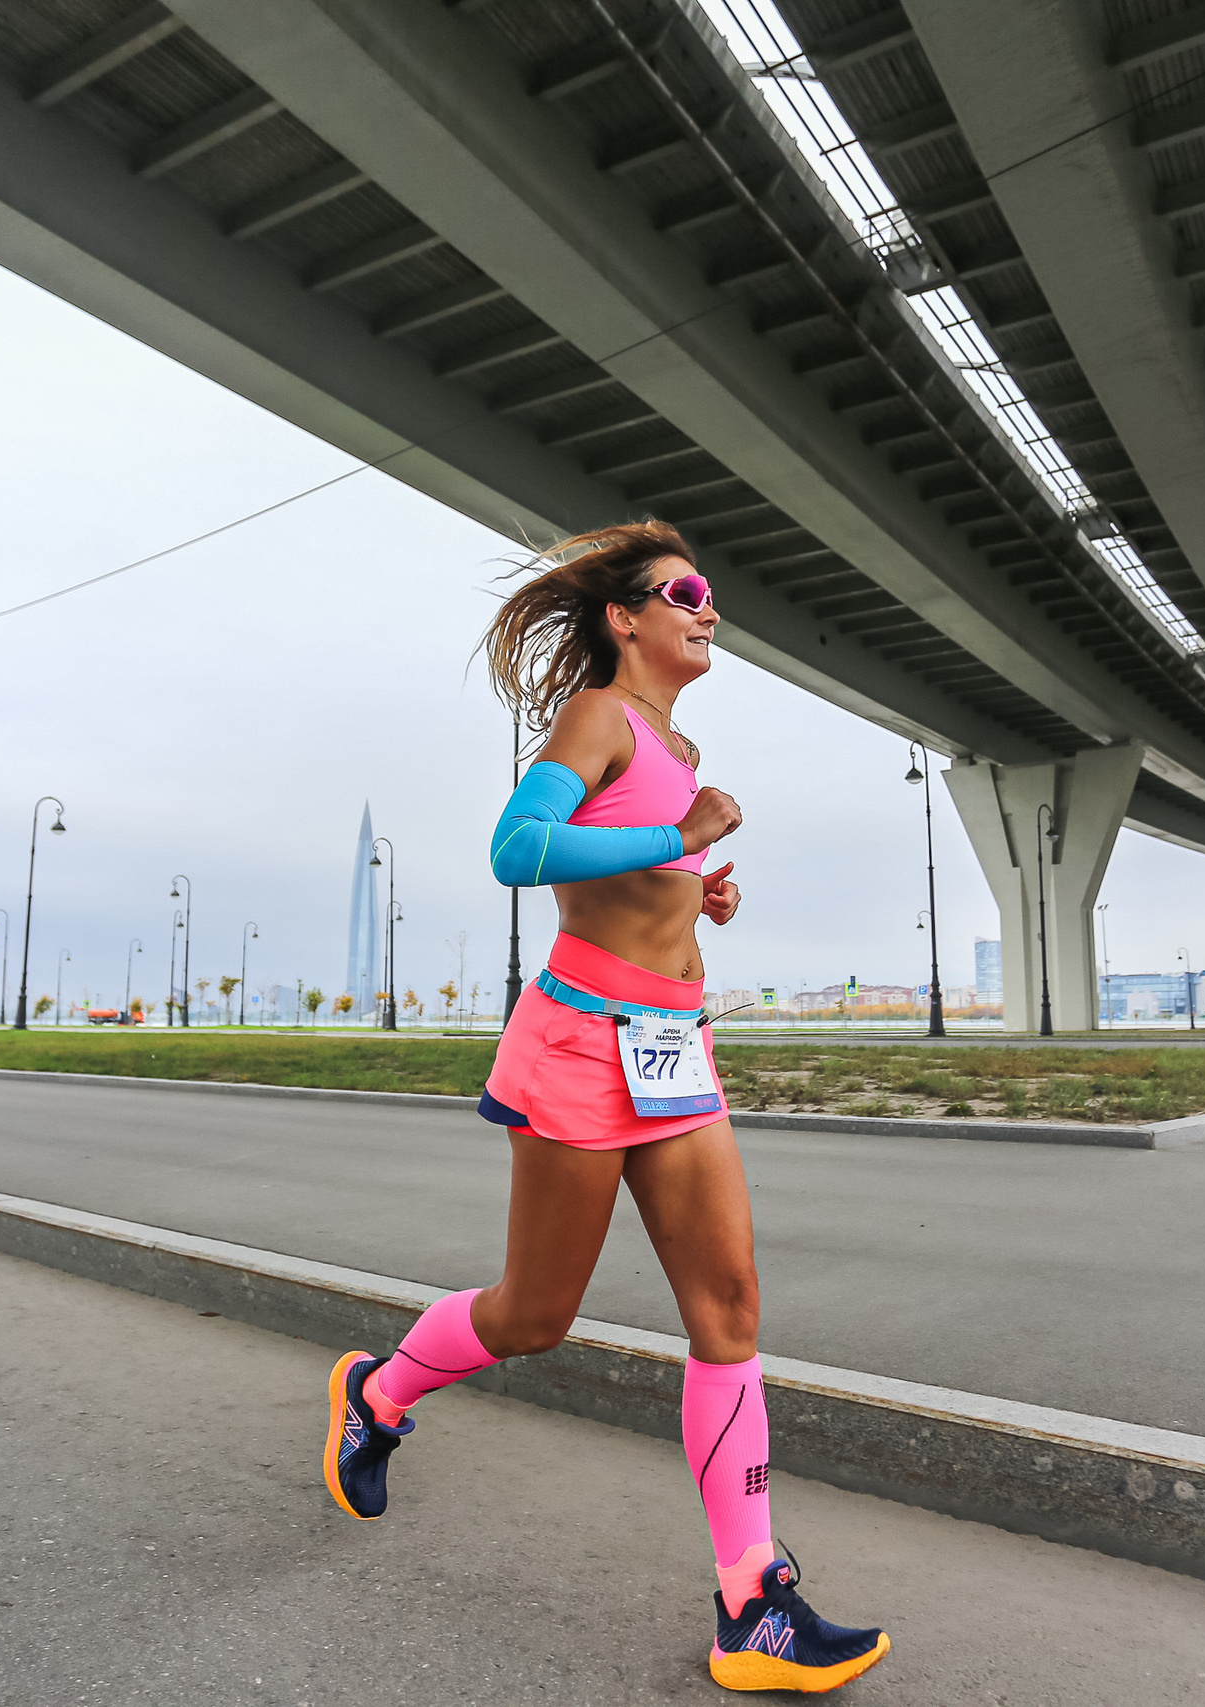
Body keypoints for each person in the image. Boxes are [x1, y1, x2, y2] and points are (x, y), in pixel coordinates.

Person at [320, 522, 888, 1693]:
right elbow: (517, 848)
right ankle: (376, 1396)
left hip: (675, 1046)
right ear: (624, 618)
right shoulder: (597, 716)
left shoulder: (677, 740)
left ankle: (752, 1605)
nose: (706, 608)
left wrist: (690, 883)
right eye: (682, 593)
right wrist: (677, 836)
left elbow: (618, 865)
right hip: (581, 1043)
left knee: (728, 1308)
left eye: (711, 596)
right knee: (534, 1315)